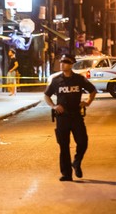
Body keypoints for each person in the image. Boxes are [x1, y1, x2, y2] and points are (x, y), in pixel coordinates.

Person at [44, 54, 97, 182]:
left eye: (66, 62)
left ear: (72, 64)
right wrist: (54, 106)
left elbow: (93, 90)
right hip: (62, 118)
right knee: (64, 146)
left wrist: (87, 102)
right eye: (62, 62)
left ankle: (76, 162)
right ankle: (66, 174)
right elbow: (47, 95)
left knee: (83, 142)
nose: (63, 64)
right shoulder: (56, 80)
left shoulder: (79, 79)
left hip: (76, 116)